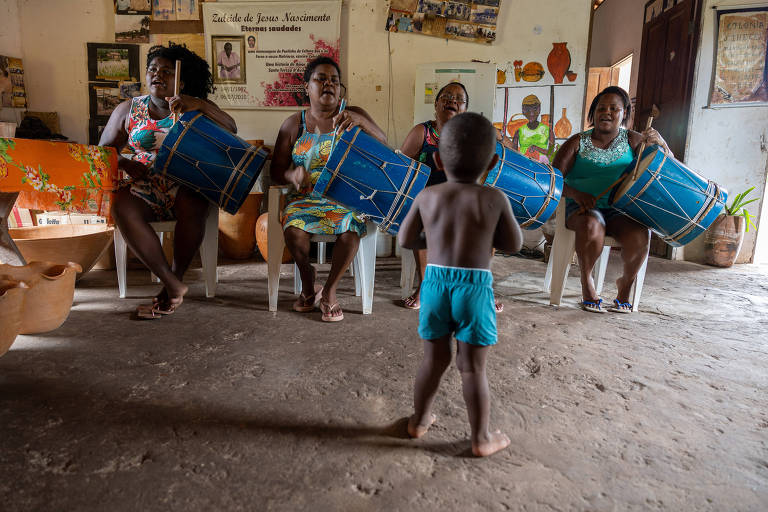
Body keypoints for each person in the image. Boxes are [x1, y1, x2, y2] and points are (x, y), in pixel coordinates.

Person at [398, 112, 523, 457]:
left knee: (432, 362)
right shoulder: (494, 197)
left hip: (435, 285)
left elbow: (407, 239)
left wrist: (437, 240)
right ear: (494, 162)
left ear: (437, 159)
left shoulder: (428, 196)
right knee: (472, 368)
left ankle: (418, 421)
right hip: (475, 287)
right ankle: (481, 438)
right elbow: (513, 244)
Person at [100, 43, 236, 318]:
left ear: (181, 81)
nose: (157, 75)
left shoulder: (194, 108)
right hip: (144, 183)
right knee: (121, 206)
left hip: (186, 182)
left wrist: (199, 104)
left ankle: (173, 281)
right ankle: (171, 282)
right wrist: (125, 162)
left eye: (165, 71)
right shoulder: (129, 109)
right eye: (152, 69)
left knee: (194, 203)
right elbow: (103, 150)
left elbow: (231, 129)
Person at [271, 56, 386, 321]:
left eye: (334, 80)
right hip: (306, 199)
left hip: (346, 198)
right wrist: (292, 173)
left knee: (349, 228)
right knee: (293, 229)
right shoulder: (294, 124)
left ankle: (330, 291)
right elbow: (276, 170)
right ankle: (309, 283)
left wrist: (362, 122)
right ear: (307, 88)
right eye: (320, 79)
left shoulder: (353, 114)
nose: (328, 85)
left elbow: (383, 145)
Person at [552, 86, 670, 313]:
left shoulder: (635, 140)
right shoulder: (577, 142)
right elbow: (552, 179)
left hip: (620, 209)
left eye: (614, 108)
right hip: (583, 207)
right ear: (593, 113)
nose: (606, 112)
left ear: (624, 113)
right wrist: (577, 194)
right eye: (601, 108)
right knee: (591, 225)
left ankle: (625, 284)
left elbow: (665, 168)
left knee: (640, 233)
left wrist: (662, 144)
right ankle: (588, 284)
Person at [400, 83, 504, 312]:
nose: (452, 101)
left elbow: (498, 138)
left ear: (465, 109)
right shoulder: (422, 132)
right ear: (436, 104)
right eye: (446, 96)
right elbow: (398, 169)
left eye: (459, 99)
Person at [509, 94, 555, 163]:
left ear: (539, 110)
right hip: (524, 165)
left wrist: (536, 148)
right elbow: (514, 154)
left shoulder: (548, 131)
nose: (531, 113)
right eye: (527, 110)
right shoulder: (519, 132)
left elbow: (551, 153)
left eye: (535, 109)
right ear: (523, 111)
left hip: (542, 166)